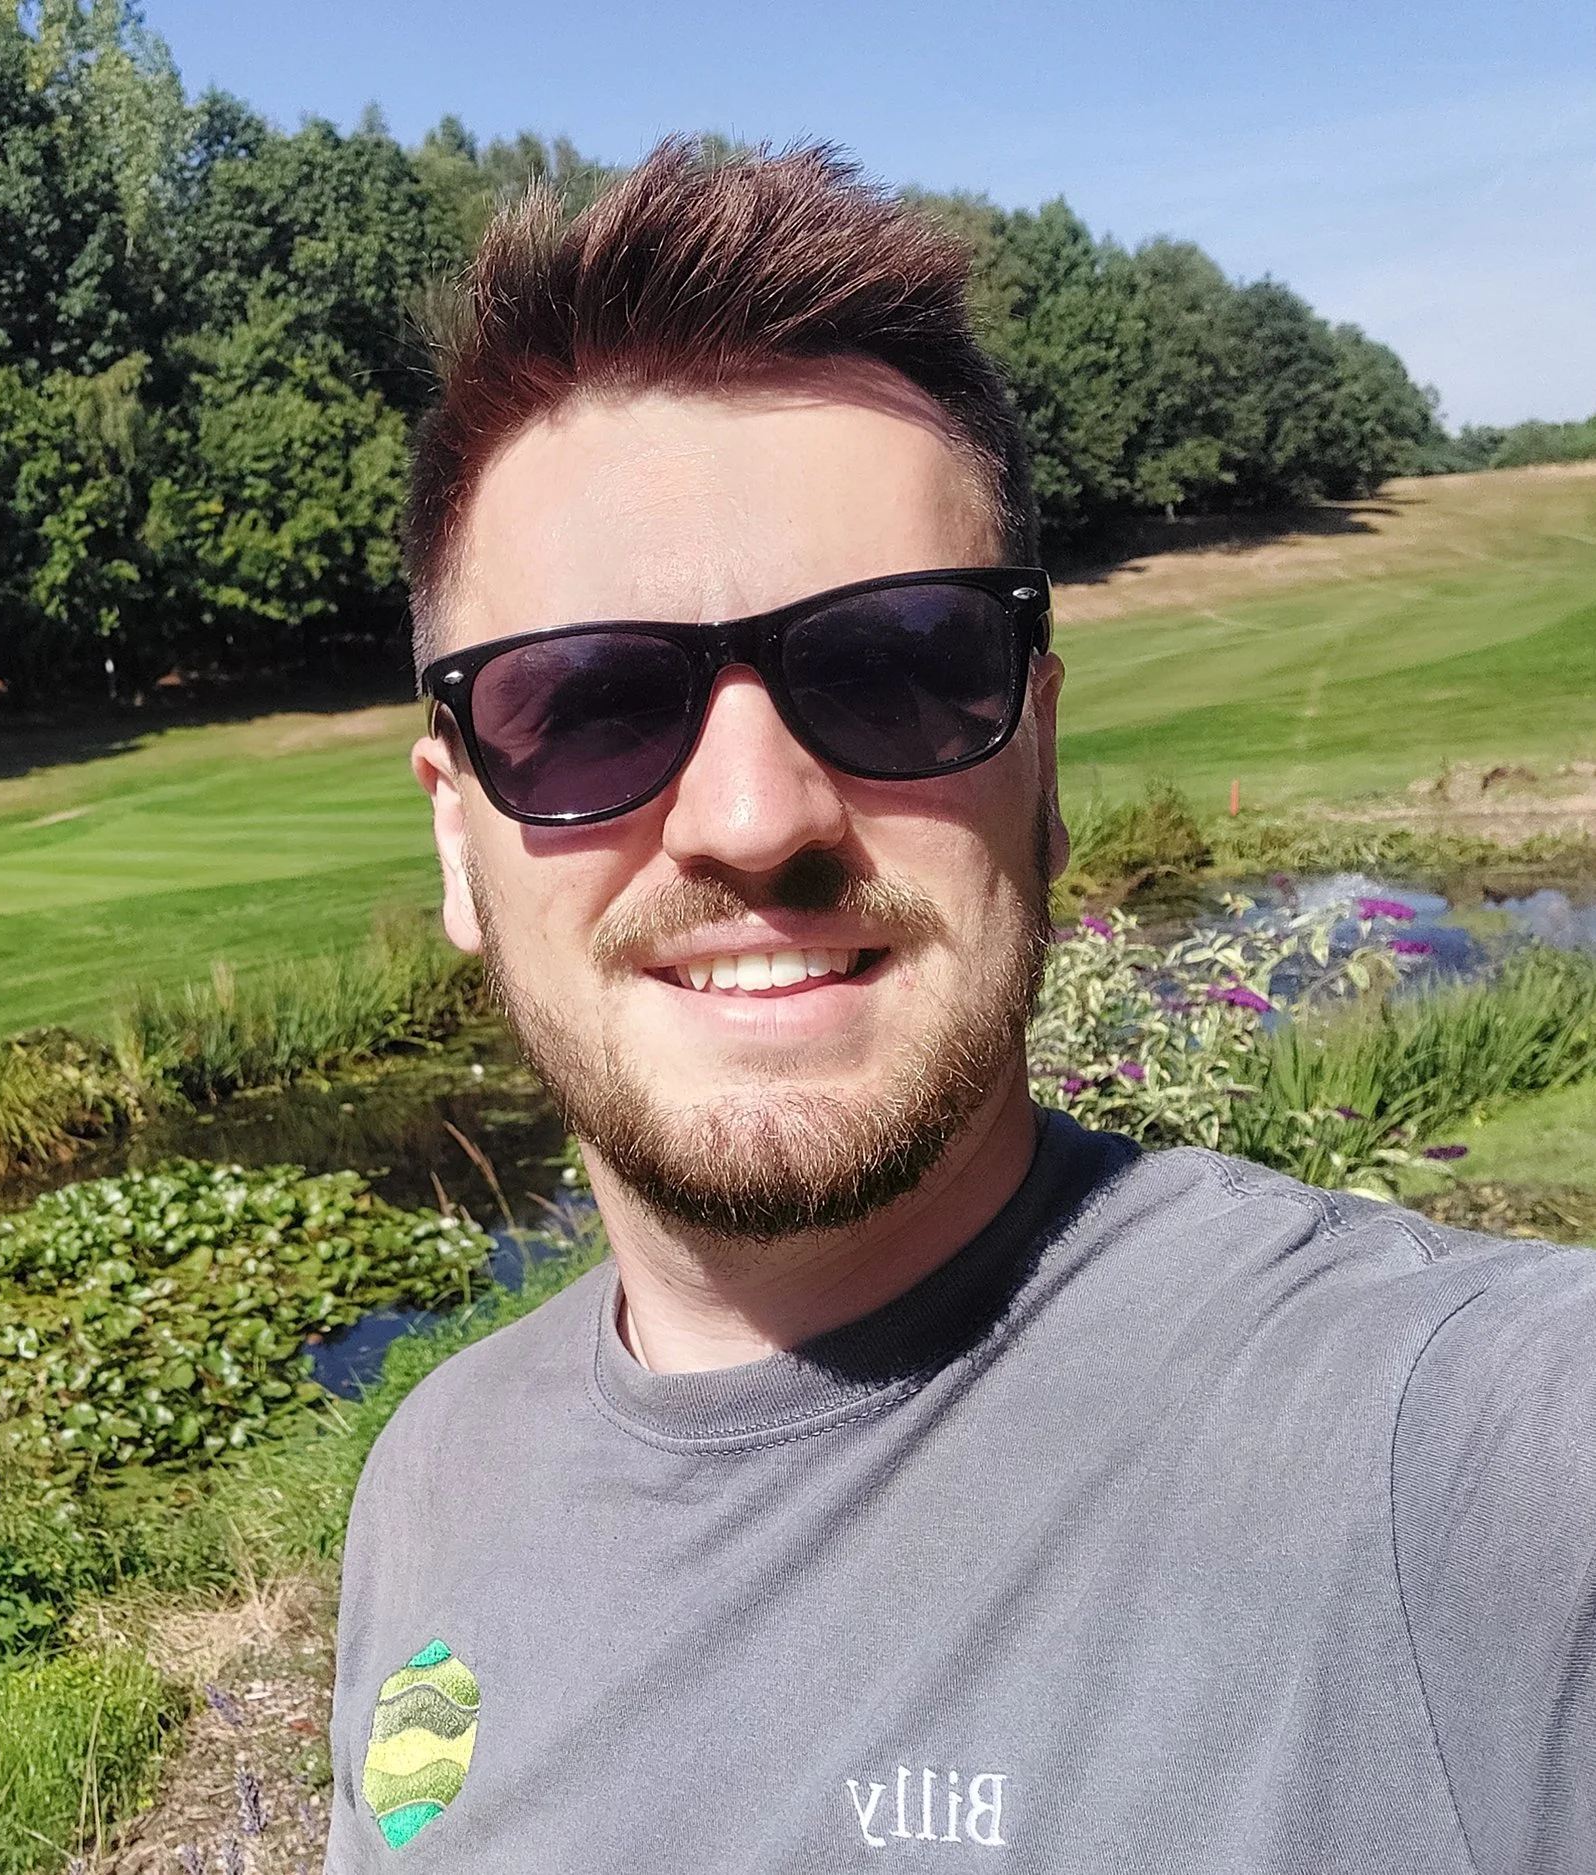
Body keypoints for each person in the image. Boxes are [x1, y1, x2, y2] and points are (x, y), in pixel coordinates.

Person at [324, 140, 1596, 1874]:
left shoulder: (1434, 1451)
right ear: (459, 839)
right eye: (592, 704)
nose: (754, 815)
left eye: (900, 666)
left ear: (1044, 763)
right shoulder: (429, 1479)